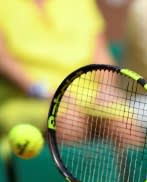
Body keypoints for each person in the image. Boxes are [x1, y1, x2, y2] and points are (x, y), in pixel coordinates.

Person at [0, 0, 114, 153]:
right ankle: (64, 177)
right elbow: (4, 59)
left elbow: (100, 52)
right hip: (27, 99)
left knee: (125, 124)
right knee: (70, 121)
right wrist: (45, 92)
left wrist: (107, 89)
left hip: (87, 96)